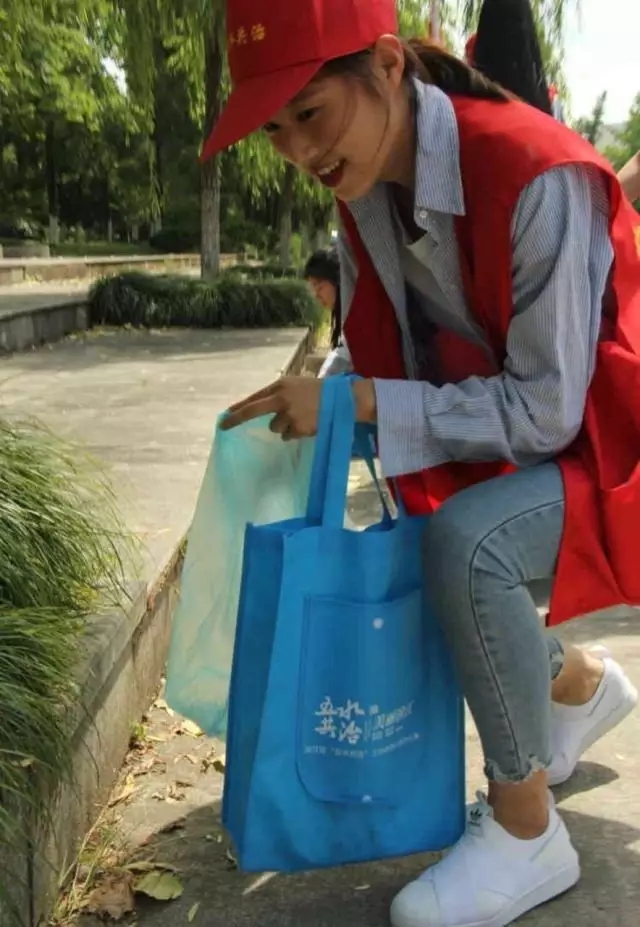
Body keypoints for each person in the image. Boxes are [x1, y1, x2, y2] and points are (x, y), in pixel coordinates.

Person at [211, 1, 640, 925]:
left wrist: (361, 404)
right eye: (275, 129)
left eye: (310, 113)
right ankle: (575, 686)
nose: (298, 149)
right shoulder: (365, 182)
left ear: (388, 65)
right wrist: (327, 396)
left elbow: (547, 410)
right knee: (416, 546)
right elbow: (378, 345)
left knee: (465, 549)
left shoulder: (535, 174)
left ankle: (529, 829)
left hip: (618, 444)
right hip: (553, 438)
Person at [303, 248, 351, 377]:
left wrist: (320, 384)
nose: (316, 295)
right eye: (313, 289)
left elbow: (344, 356)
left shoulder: (355, 316)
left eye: (319, 287)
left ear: (338, 281)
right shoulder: (345, 313)